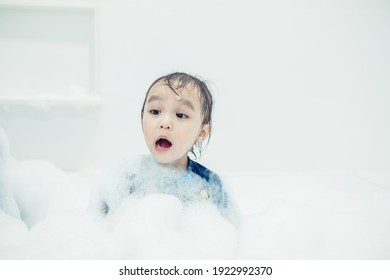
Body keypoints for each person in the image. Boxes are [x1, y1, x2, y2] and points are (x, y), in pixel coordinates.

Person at [98, 72, 238, 226]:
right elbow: (102, 229)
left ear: (202, 132)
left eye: (180, 115)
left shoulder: (210, 184)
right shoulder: (124, 180)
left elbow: (228, 230)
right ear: (142, 118)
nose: (165, 122)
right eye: (155, 112)